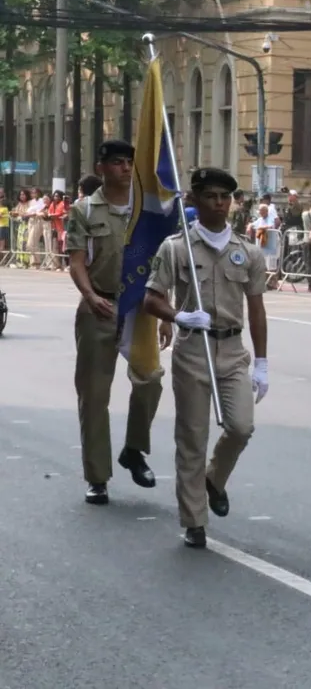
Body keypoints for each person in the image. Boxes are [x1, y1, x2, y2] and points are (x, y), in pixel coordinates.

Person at [142, 167, 268, 548]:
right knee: (192, 438)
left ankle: (214, 479)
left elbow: (257, 309)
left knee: (241, 426)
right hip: (194, 349)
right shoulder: (176, 247)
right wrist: (178, 315)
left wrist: (262, 362)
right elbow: (152, 297)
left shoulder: (247, 251)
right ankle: (194, 519)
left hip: (232, 350)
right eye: (211, 196)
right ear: (194, 199)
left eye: (225, 197)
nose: (219, 203)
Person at [65, 139, 164, 505]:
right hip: (100, 306)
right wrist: (90, 297)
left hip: (140, 309)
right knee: (93, 395)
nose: (125, 168)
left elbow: (160, 262)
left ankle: (134, 449)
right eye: (118, 162)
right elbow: (76, 261)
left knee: (150, 381)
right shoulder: (85, 210)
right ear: (102, 167)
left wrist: (164, 310)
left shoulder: (146, 211)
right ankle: (97, 477)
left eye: (129, 162)